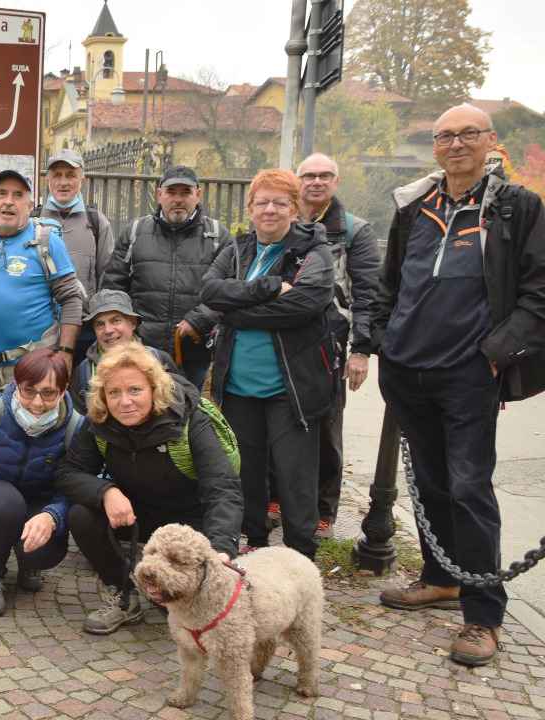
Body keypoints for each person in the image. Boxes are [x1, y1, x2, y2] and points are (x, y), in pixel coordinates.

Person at [372, 103, 545, 667]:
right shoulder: (415, 207)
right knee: (429, 481)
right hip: (409, 369)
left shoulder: (517, 208)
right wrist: (383, 341)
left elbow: (539, 292)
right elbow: (390, 282)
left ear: (490, 140)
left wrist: (498, 353)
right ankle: (441, 578)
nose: (455, 144)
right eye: (444, 135)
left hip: (470, 375)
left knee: (470, 488)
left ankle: (483, 615)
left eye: (467, 134)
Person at [199, 169, 338, 562]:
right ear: (251, 208)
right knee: (247, 472)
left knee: (295, 479)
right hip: (239, 385)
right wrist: (269, 287)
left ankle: (300, 556)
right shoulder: (238, 250)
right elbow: (209, 290)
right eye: (263, 202)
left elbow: (307, 303)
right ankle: (255, 543)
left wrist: (235, 312)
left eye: (280, 202)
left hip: (290, 389)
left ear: (294, 209)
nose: (271, 209)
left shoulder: (312, 252)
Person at [55, 342, 242, 634]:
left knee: (193, 602)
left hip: (190, 521)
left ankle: (178, 596)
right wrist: (106, 492)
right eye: (113, 392)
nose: (124, 402)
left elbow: (222, 488)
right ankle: (124, 593)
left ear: (154, 389)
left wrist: (222, 548)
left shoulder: (191, 420)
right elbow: (68, 472)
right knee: (81, 514)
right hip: (135, 513)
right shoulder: (99, 423)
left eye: (135, 390)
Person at [0, 348, 82, 616]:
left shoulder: (76, 428)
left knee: (41, 552)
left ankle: (28, 561)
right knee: (4, 506)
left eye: (49, 393)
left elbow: (82, 482)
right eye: (29, 391)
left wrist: (54, 515)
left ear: (64, 389)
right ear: (15, 384)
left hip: (42, 499)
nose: (37, 402)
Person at [295, 153, 380, 539]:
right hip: (285, 335)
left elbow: (367, 292)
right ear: (298, 181)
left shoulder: (353, 230)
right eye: (309, 175)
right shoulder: (285, 219)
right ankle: (280, 496)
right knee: (282, 419)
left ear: (336, 180)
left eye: (324, 175)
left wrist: (361, 349)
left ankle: (323, 508)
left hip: (331, 340)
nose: (316, 181)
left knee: (327, 426)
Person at [101, 165, 227, 388]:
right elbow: (113, 287)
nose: (178, 199)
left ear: (198, 195)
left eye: (185, 193)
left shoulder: (217, 236)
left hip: (193, 351)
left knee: (187, 413)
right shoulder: (135, 232)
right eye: (171, 192)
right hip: (142, 351)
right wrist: (129, 332)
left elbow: (229, 290)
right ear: (159, 194)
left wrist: (199, 319)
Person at [0, 169, 85, 396]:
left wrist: (66, 352)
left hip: (32, 367)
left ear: (30, 206)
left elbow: (71, 298)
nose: (9, 202)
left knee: (29, 428)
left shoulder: (47, 242)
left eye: (18, 195)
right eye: (2, 194)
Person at [69, 289, 177, 409]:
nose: (108, 330)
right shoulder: (84, 373)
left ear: (133, 323)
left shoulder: (159, 360)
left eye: (116, 320)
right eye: (100, 324)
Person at [34, 149, 114, 297]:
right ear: (48, 180)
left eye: (70, 175)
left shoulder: (97, 222)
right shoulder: (33, 221)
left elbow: (107, 278)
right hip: (42, 317)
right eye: (57, 175)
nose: (63, 182)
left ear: (82, 180)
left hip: (81, 316)